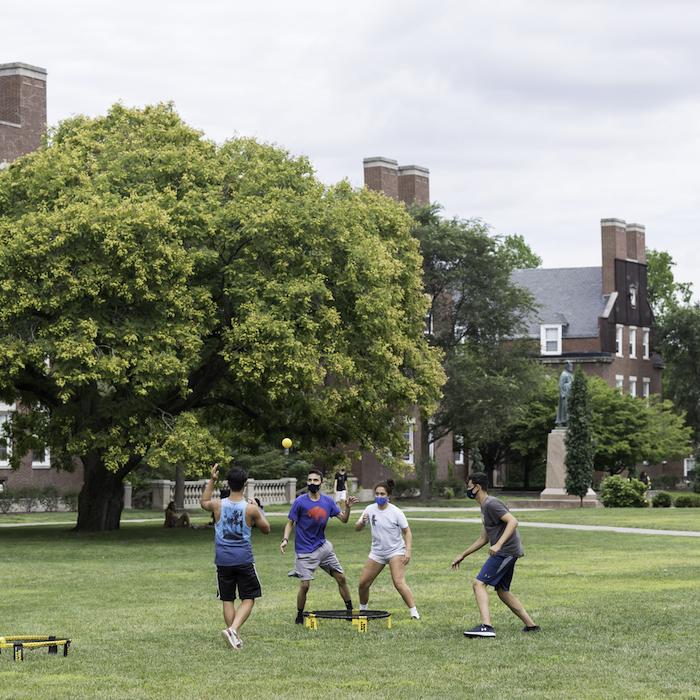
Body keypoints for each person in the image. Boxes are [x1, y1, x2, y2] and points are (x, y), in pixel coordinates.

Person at [451, 471, 539, 638]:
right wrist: (463, 554)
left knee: (478, 583)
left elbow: (513, 521)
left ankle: (486, 626)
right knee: (502, 590)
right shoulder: (484, 506)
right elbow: (484, 537)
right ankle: (531, 625)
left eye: (469, 487)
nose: (468, 490)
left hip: (506, 551)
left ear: (477, 487)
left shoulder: (491, 503)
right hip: (506, 551)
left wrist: (498, 544)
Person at [200, 463, 270, 649]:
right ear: (245, 484)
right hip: (243, 559)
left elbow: (203, 502)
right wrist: (258, 509)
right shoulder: (250, 508)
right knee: (249, 598)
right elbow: (266, 529)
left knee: (228, 599)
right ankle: (233, 630)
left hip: (223, 560)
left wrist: (212, 481)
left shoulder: (217, 505)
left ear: (228, 484)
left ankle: (234, 635)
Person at [280, 468, 358, 624]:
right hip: (304, 551)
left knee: (341, 578)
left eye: (315, 480)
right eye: (309, 480)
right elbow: (290, 523)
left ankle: (349, 610)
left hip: (323, 548)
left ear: (321, 483)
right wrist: (285, 539)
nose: (312, 483)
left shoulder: (327, 502)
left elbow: (344, 520)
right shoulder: (300, 502)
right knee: (305, 586)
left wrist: (347, 508)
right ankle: (299, 615)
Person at [355, 480, 419, 619]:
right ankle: (363, 611)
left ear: (388, 495)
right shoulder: (369, 509)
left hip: (395, 551)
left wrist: (408, 551)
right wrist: (362, 522)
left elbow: (407, 532)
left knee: (398, 582)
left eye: (382, 494)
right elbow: (357, 528)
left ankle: (414, 612)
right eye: (377, 494)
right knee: (363, 584)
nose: (379, 496)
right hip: (377, 552)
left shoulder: (396, 512)